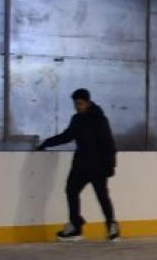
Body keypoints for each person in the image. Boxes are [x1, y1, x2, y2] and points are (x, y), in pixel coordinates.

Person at [36, 88, 119, 240]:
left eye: (79, 103)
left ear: (87, 102)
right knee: (71, 191)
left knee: (102, 196)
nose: (77, 106)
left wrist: (110, 166)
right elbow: (67, 136)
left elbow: (109, 143)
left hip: (98, 166)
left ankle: (112, 226)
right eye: (75, 104)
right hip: (81, 164)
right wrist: (46, 143)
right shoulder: (77, 120)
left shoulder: (99, 119)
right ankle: (76, 227)